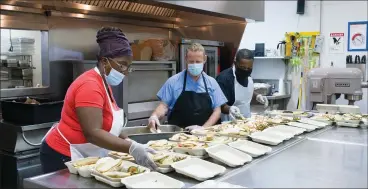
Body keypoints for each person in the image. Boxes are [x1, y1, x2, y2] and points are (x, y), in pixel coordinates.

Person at [40, 27, 157, 174]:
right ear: (104, 61)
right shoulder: (90, 85)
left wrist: (132, 142)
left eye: (129, 66)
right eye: (122, 65)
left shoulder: (103, 83)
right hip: (62, 155)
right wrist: (131, 149)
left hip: (82, 155)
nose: (126, 72)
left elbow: (108, 127)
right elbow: (93, 133)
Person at [147, 43, 227, 132]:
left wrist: (203, 128)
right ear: (186, 59)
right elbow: (163, 106)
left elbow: (217, 111)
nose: (194, 64)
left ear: (204, 59)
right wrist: (154, 116)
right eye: (191, 62)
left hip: (205, 136)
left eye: (198, 62)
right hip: (178, 136)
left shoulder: (212, 83)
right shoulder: (173, 81)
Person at [216, 48, 269, 121]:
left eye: (249, 68)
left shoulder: (247, 76)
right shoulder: (224, 79)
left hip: (246, 121)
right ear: (235, 63)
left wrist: (257, 96)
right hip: (229, 124)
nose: (246, 70)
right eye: (243, 67)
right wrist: (229, 109)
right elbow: (219, 105)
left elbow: (246, 91)